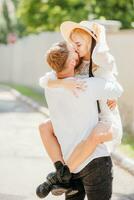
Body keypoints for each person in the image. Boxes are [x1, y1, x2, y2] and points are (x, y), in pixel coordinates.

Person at [37, 33, 123, 199]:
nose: (76, 50)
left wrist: (61, 82)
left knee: (44, 126)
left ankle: (60, 174)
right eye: (73, 49)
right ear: (71, 62)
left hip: (72, 162)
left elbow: (45, 79)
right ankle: (60, 176)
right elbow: (117, 90)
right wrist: (109, 96)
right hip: (95, 162)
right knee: (93, 137)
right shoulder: (86, 84)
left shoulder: (51, 85)